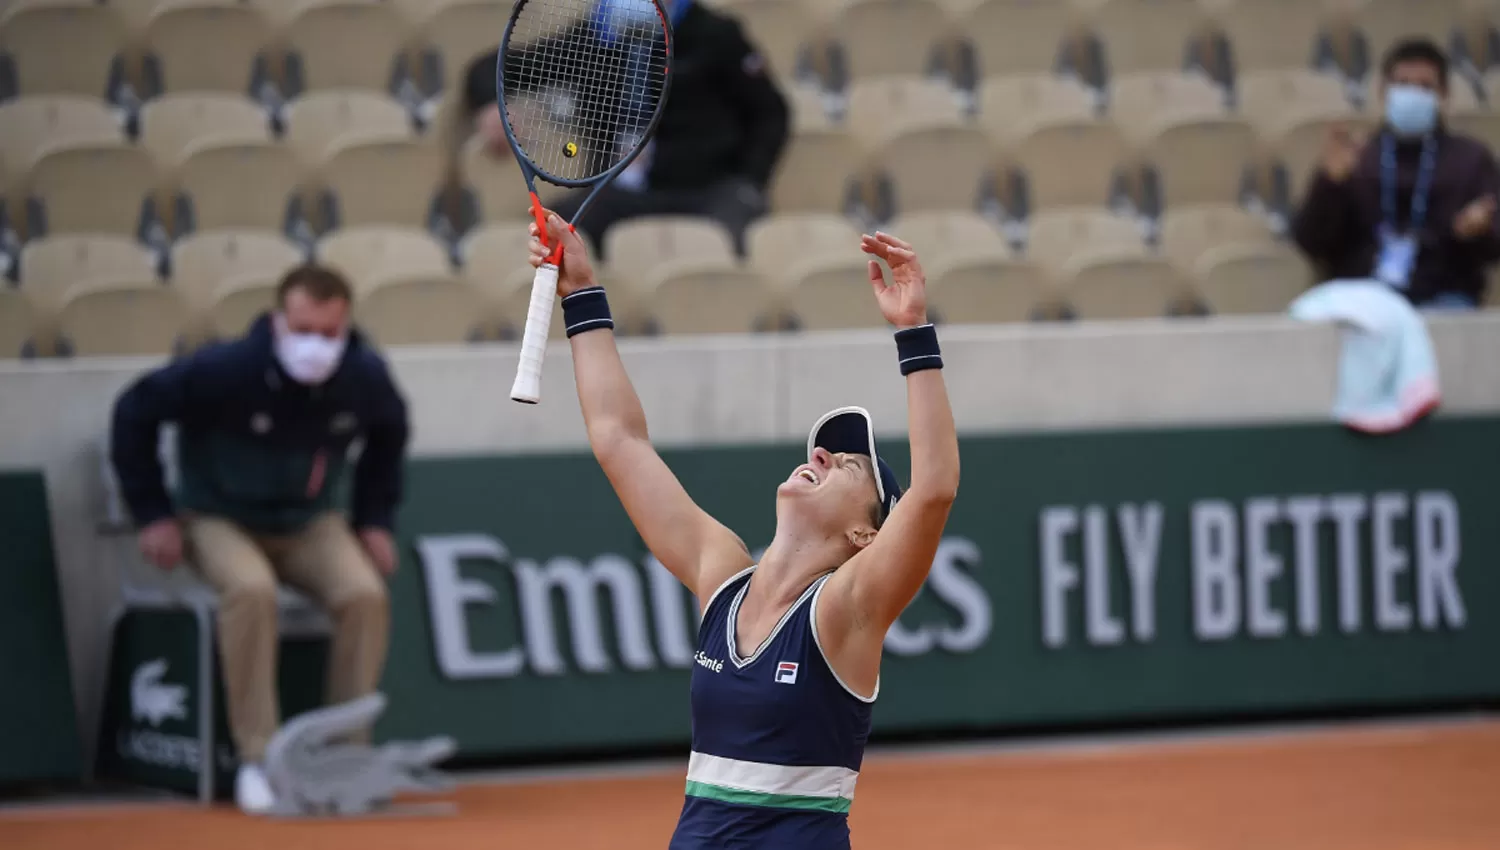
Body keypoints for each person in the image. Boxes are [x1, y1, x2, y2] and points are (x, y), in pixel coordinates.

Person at [527, 209, 959, 848]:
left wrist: (914, 332)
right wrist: (581, 293)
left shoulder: (847, 611)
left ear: (868, 536)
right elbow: (619, 441)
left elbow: (933, 492)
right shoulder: (720, 576)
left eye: (846, 466)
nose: (818, 457)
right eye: (821, 451)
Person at [108, 265, 410, 815]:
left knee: (364, 595)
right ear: (277, 322)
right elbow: (134, 411)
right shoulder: (226, 369)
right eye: (303, 330)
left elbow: (390, 435)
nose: (315, 345)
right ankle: (258, 759)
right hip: (217, 518)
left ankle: (344, 759)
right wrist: (152, 511)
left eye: (328, 333)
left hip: (309, 523)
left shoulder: (363, 375)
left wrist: (374, 519)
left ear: (344, 329)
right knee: (251, 590)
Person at [465, 0, 790, 255]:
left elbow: (771, 113)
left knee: (728, 236)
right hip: (616, 193)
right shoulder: (593, 38)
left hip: (705, 190)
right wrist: (490, 104)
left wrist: (749, 181)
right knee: (552, 235)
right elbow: (491, 68)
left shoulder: (717, 35)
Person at [1292, 38, 1500, 310]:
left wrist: (1476, 232)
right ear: (1383, 91)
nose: (1412, 94)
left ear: (1444, 95)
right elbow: (1310, 242)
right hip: (1362, 298)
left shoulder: (1470, 159)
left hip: (1443, 298)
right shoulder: (1357, 157)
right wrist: (1330, 185)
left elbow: (1494, 248)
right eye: (1402, 85)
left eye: (1425, 87)